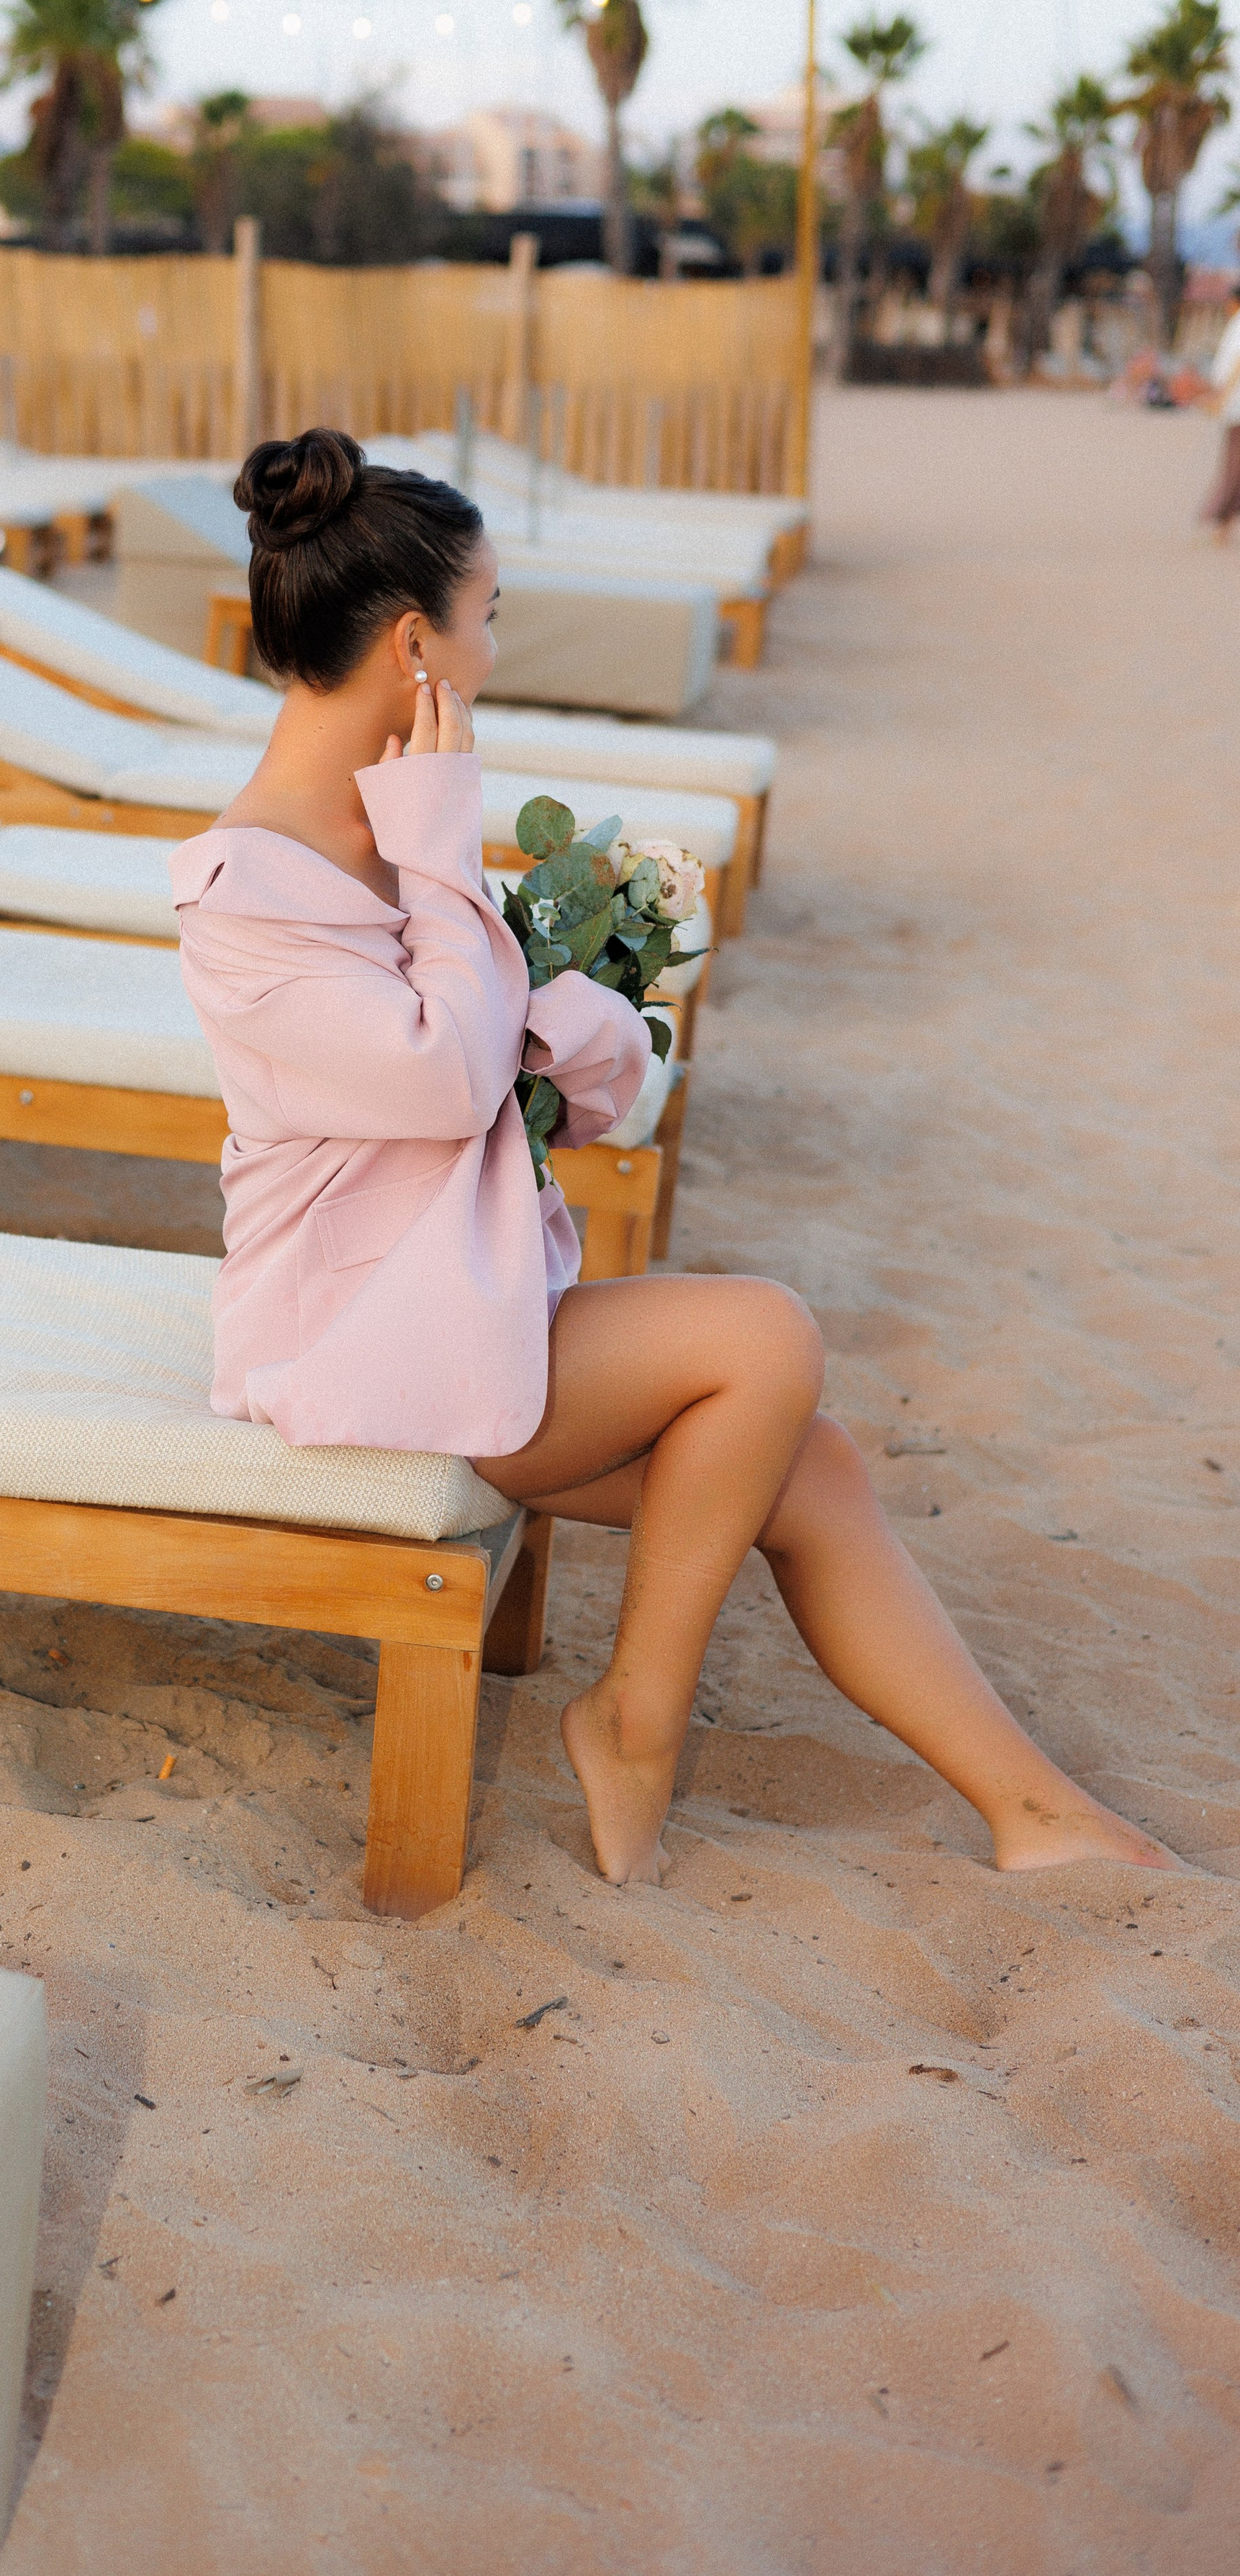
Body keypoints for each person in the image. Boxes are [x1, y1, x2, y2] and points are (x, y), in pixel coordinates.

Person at [169, 426, 1177, 1888]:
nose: (494, 644)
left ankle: (1037, 1816)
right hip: (358, 1342)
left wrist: (562, 1001)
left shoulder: (392, 832)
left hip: (454, 1304)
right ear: (413, 644)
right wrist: (454, 862)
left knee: (813, 1473)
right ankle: (633, 1720)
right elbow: (447, 1076)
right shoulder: (249, 883)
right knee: (762, 1337)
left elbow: (544, 1091)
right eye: (486, 614)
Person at [1202, 277, 1240, 535]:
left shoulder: (1238, 326)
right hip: (1232, 404)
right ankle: (1222, 518)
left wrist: (1220, 398)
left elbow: (1233, 367)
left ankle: (1221, 515)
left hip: (1236, 404)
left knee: (1234, 463)